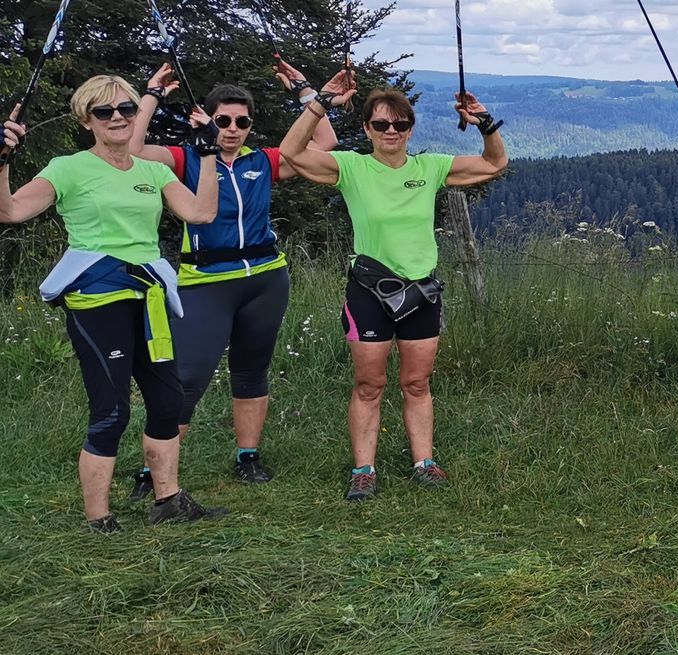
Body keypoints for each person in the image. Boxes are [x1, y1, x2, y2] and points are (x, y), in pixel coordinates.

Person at [0, 77, 227, 530]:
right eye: (104, 112)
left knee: (168, 401)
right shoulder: (68, 168)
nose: (119, 117)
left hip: (150, 298)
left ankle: (169, 502)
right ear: (87, 120)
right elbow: (10, 212)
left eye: (125, 107)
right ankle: (98, 518)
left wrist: (206, 157)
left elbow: (201, 213)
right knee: (112, 410)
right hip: (97, 299)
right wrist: (3, 161)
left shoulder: (153, 171)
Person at [280, 74, 508, 500]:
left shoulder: (431, 167)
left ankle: (425, 462)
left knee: (417, 383)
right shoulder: (351, 167)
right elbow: (292, 153)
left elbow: (494, 163)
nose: (390, 132)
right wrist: (320, 101)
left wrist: (484, 122)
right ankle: (363, 469)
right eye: (381, 125)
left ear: (410, 129)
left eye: (400, 125)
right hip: (368, 291)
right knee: (369, 385)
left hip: (421, 292)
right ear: (366, 128)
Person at [120, 61, 335, 492]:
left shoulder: (264, 160)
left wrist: (305, 91)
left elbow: (325, 143)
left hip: (266, 278)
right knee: (188, 376)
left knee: (251, 370)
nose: (232, 129)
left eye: (241, 121)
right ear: (210, 119)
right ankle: (155, 470)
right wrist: (152, 95)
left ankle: (247, 455)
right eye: (223, 120)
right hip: (204, 281)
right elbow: (133, 147)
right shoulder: (187, 158)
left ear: (250, 124)